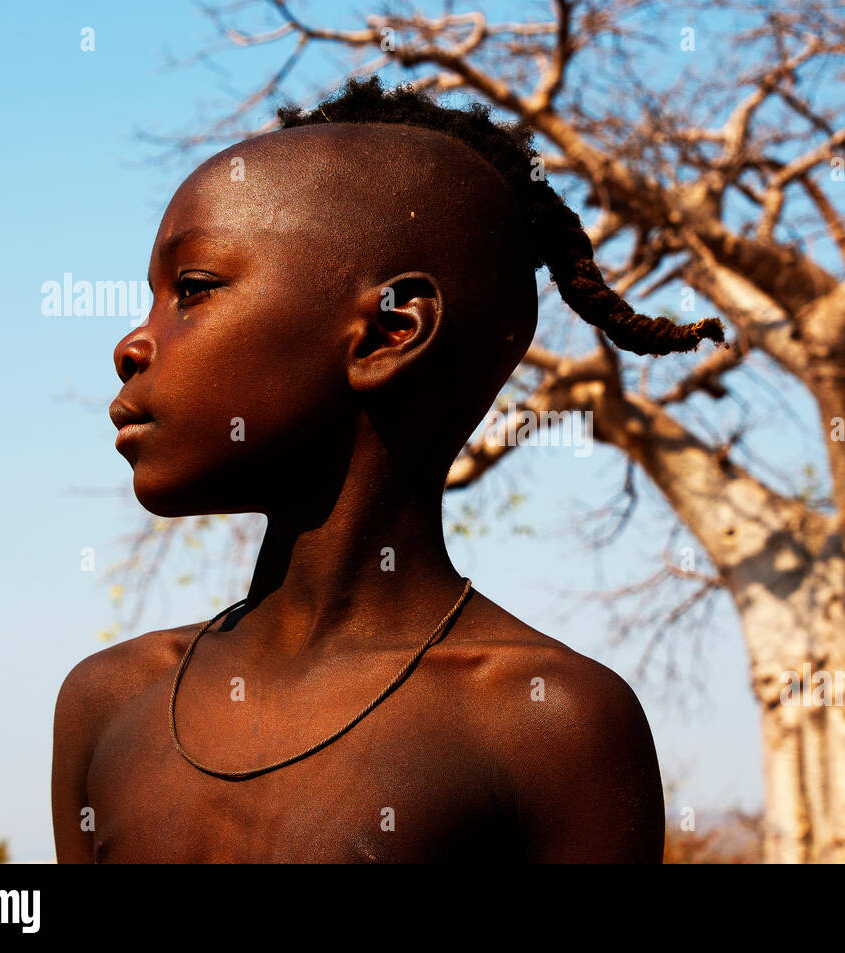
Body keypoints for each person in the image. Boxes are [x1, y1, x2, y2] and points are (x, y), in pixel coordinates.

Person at [52, 77, 723, 863]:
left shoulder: (547, 722)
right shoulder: (109, 702)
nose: (132, 344)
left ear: (387, 332)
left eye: (191, 290)